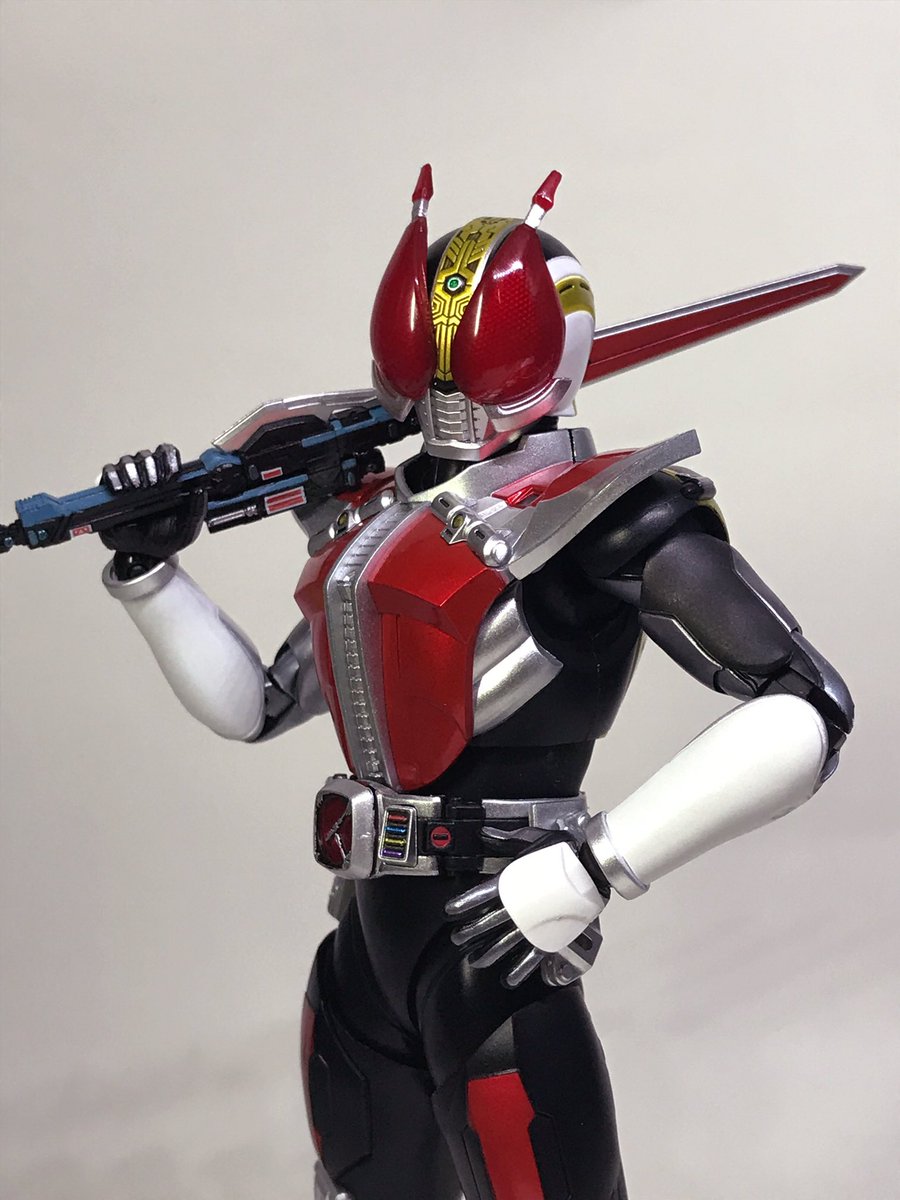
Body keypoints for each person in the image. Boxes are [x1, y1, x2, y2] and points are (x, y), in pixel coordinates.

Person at [97, 168, 854, 1200]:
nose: (448, 405)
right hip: (367, 938)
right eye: (432, 379)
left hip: (501, 934)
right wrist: (150, 576)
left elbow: (805, 707)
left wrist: (595, 866)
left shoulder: (610, 516)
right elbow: (257, 706)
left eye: (473, 376)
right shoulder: (378, 526)